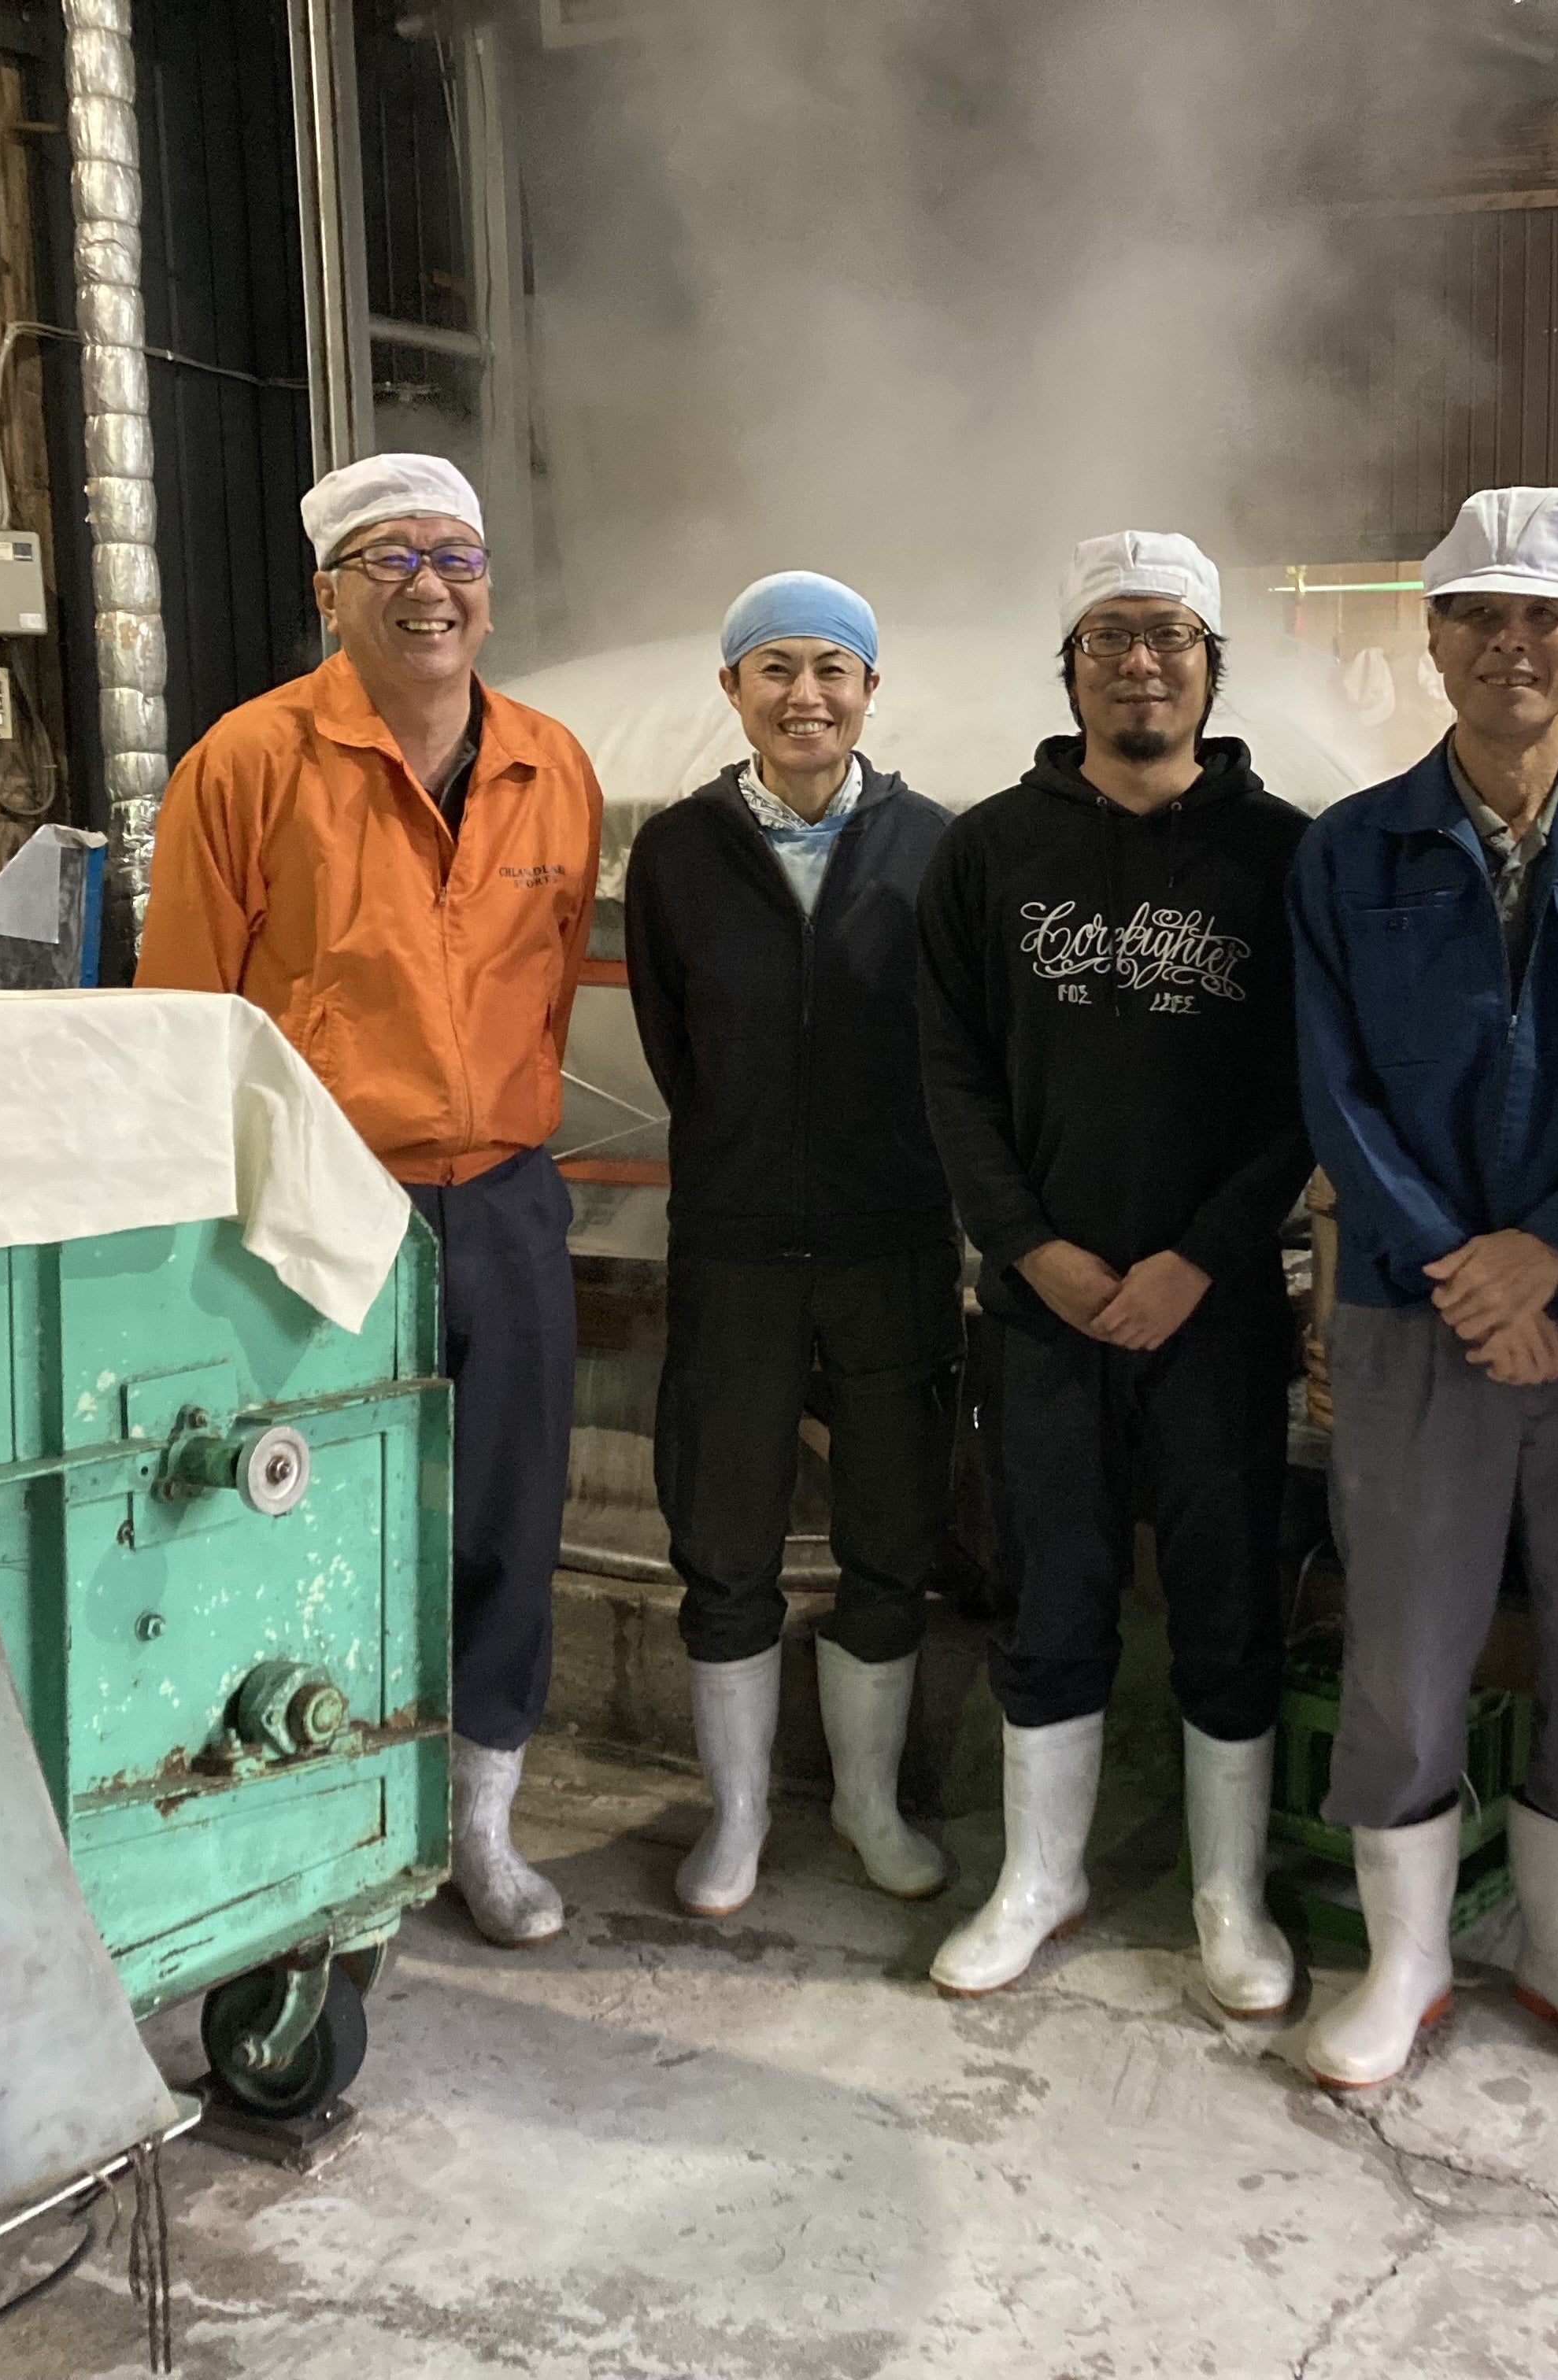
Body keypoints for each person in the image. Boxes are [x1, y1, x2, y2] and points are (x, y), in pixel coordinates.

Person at [139, 453, 602, 1949]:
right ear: (329, 592)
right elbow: (184, 1020)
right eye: (389, 559)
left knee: (506, 1520)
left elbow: (549, 986)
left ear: (488, 591)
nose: (428, 588)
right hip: (317, 1207)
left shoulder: (552, 765)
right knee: (312, 1514)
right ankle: (314, 1818)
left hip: (507, 1203)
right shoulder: (248, 764)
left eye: (455, 558)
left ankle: (479, 1829)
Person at [1290, 486, 1558, 2094]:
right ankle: (1402, 1962)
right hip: (1414, 1315)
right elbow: (1334, 1087)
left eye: (1546, 615)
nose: (1512, 643)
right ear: (1436, 639)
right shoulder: (1350, 849)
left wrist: (1555, 1251)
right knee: (1405, 1653)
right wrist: (1463, 1268)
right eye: (1481, 613)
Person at [914, 531, 1309, 2014]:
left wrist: (1202, 1257)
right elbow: (951, 1074)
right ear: (1071, 667)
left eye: (1171, 637)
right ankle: (1042, 1877)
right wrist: (1030, 1247)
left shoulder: (1285, 855)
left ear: (1211, 665)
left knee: (1228, 1597)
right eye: (1112, 637)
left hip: (1218, 1308)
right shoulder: (986, 852)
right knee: (1049, 1588)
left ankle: (1228, 1895)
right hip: (1044, 1311)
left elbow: (1307, 1091)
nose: (1143, 663)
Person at [620, 572, 958, 1917]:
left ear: (871, 688)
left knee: (893, 1526)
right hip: (737, 1244)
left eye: (831, 669)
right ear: (732, 689)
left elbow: (961, 1046)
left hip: (895, 1240)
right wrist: (746, 1156)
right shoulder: (677, 854)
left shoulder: (937, 846)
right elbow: (673, 1043)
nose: (804, 695)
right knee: (723, 1529)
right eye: (775, 668)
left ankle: (870, 1807)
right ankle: (740, 1817)